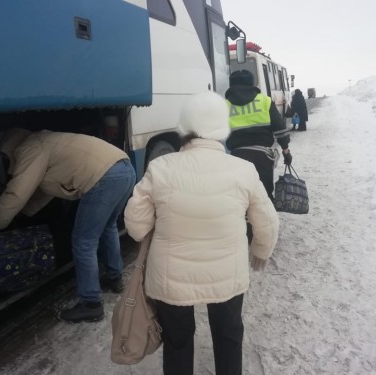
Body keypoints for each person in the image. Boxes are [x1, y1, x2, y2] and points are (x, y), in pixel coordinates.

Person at [124, 91, 279, 375]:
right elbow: (267, 219)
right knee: (229, 334)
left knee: (177, 340)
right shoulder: (243, 169)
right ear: (223, 128)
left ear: (184, 128)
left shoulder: (160, 167)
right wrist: (261, 250)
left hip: (171, 277)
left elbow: (135, 226)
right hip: (227, 273)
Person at [0, 128, 136, 323]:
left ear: (10, 148)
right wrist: (23, 215)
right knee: (108, 227)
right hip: (125, 169)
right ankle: (115, 277)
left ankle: (91, 304)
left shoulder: (30, 148)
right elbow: (45, 190)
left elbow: (17, 192)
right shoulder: (46, 142)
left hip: (104, 178)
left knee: (83, 241)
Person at [225, 70, 292, 201]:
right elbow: (279, 129)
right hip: (262, 157)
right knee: (264, 195)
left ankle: (246, 220)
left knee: (241, 196)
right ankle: (265, 220)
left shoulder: (224, 105)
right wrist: (286, 151)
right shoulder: (264, 101)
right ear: (251, 83)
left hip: (236, 157)